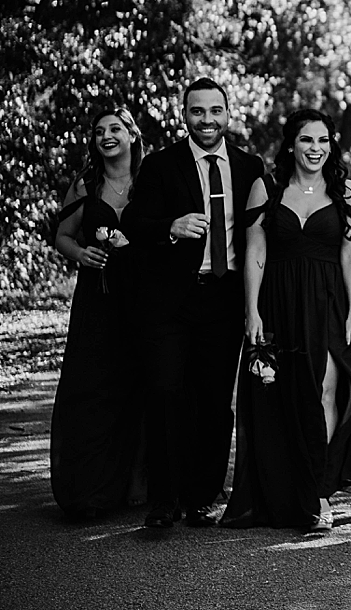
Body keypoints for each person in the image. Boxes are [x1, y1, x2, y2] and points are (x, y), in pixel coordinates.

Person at [125, 77, 265, 529]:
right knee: (166, 394)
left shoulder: (250, 167)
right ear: (183, 114)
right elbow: (132, 223)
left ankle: (202, 496)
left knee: (214, 401)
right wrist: (171, 225)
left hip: (224, 302)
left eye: (215, 111)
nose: (207, 120)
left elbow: (267, 232)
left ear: (228, 114)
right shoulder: (162, 165)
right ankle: (163, 501)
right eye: (197, 111)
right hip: (170, 303)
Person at [221, 110, 351, 533]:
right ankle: (285, 490)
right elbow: (255, 251)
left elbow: (350, 254)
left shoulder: (346, 190)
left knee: (328, 387)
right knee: (281, 395)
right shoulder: (264, 188)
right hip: (278, 300)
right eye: (306, 140)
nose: (315, 148)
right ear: (291, 144)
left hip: (328, 300)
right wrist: (252, 310)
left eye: (323, 141)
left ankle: (318, 491)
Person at [50, 106, 147, 520]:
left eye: (115, 129)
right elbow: (62, 237)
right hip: (98, 298)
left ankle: (140, 483)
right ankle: (88, 487)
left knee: (142, 384)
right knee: (93, 387)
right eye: (99, 131)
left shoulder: (151, 180)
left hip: (144, 297)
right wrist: (82, 255)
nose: (106, 136)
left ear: (131, 135)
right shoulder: (86, 184)